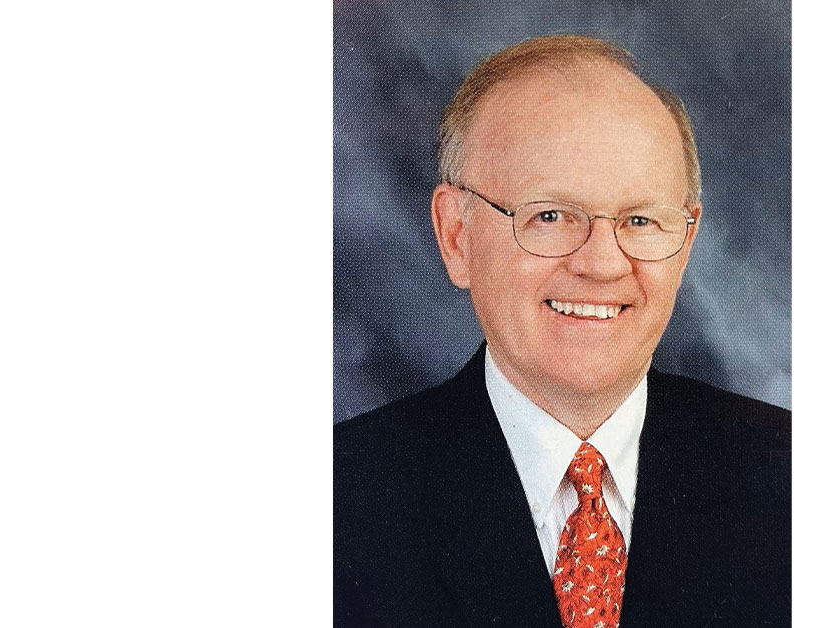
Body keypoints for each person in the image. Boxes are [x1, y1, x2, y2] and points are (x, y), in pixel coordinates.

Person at [335, 35, 790, 628]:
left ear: (686, 243)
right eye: (550, 216)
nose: (602, 263)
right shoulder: (338, 500)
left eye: (640, 220)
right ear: (457, 236)